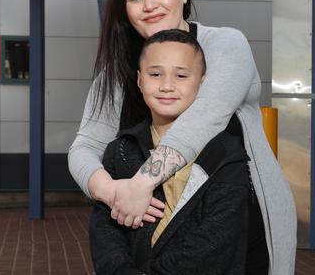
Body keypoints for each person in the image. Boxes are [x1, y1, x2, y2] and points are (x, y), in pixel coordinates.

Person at [69, 0, 296, 274]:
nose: (150, 5)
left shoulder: (225, 45)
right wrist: (114, 192)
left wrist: (140, 184)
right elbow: (84, 147)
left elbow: (202, 121)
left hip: (238, 227)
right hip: (152, 242)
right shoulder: (118, 75)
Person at [90, 29, 267, 274]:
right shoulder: (120, 150)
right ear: (140, 80)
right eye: (155, 74)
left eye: (181, 75)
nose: (167, 86)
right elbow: (105, 232)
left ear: (202, 82)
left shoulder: (225, 154)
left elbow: (215, 241)